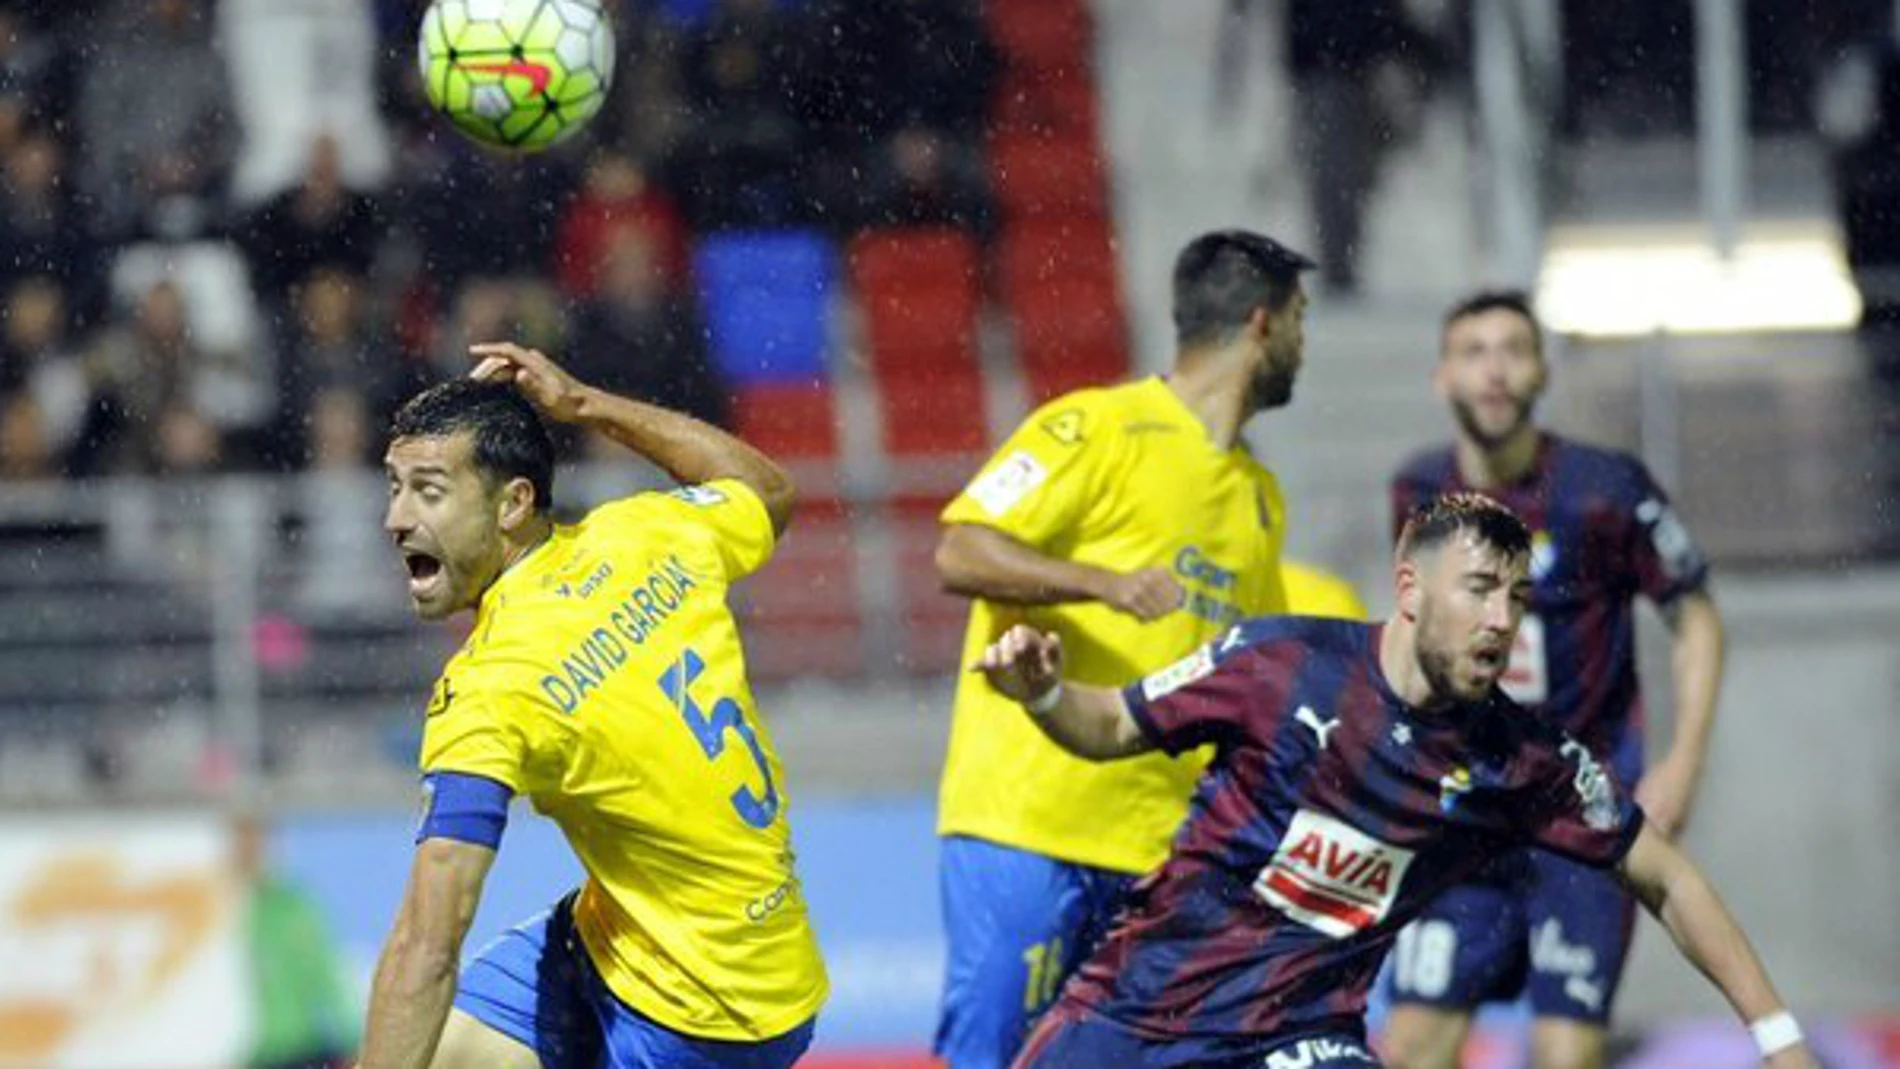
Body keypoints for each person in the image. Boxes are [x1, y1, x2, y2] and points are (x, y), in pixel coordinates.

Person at [976, 493, 1813, 1069]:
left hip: (1298, 1036)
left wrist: (1777, 1035)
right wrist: (1044, 690)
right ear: (1409, 589)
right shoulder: (1279, 661)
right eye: (1481, 589)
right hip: (1137, 1008)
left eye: (1518, 598)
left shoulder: (1519, 759)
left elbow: (1664, 873)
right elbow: (1113, 724)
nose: (1502, 620)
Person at [359, 342, 826, 1069]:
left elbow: (428, 942)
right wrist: (585, 402)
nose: (395, 517)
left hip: (705, 1020)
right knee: (442, 1052)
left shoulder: (492, 683)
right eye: (393, 486)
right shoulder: (645, 532)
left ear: (513, 502)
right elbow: (767, 492)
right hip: (666, 948)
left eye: (427, 490)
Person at [932, 229, 1313, 1069]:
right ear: (1261, 323)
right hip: (1030, 828)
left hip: (1163, 853)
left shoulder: (1260, 495)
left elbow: (1258, 671)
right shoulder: (1094, 427)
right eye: (1300, 321)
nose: (1304, 345)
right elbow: (960, 550)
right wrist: (1100, 583)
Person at [1382, 291, 1726, 1069]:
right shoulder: (1416, 491)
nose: (1495, 371)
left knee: (1564, 1055)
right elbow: (1412, 634)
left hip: (1579, 807)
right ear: (1443, 377)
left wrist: (1682, 762)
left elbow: (1697, 616)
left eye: (1514, 350)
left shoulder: (1605, 488)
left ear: (1542, 370)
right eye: (1474, 352)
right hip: (1463, 807)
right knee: (1408, 1048)